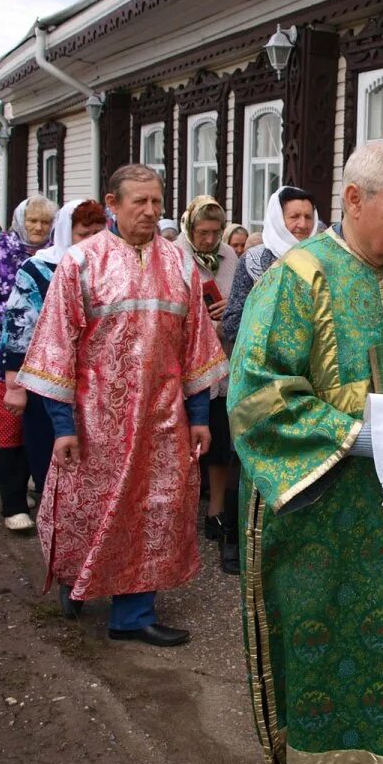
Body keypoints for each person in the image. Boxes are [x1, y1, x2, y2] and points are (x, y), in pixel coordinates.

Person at [228, 141, 383, 764]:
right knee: (323, 670)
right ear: (355, 200)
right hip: (317, 525)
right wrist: (367, 434)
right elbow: (256, 400)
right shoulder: (297, 280)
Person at [17, 164, 227, 646]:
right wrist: (63, 425)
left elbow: (194, 345)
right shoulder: (81, 263)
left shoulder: (178, 265)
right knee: (88, 507)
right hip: (95, 420)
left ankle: (133, 615)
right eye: (140, 202)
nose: (152, 211)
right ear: (112, 204)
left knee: (154, 510)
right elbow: (56, 347)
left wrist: (197, 418)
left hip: (163, 419)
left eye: (157, 202)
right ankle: (77, 581)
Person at [0, 200, 106, 505]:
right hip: (46, 382)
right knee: (51, 458)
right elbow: (18, 328)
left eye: (99, 233)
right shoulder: (37, 268)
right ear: (64, 233)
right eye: (84, 234)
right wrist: (14, 385)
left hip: (96, 384)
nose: (92, 242)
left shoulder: (112, 269)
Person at [0, 195, 57, 527]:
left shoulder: (55, 256)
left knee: (42, 427)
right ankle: (13, 505)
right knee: (9, 428)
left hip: (47, 361)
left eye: (45, 222)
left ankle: (40, 493)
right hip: (1, 357)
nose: (37, 228)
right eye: (32, 221)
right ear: (20, 220)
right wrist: (20, 312)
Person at [174, 195, 239, 573]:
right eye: (203, 233)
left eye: (216, 233)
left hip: (222, 358)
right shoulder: (174, 253)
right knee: (184, 440)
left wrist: (227, 306)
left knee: (218, 440)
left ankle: (214, 511)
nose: (210, 240)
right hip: (186, 357)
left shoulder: (230, 256)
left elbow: (240, 300)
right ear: (189, 229)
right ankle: (181, 515)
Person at [221, 186, 317, 345]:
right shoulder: (254, 261)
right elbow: (232, 323)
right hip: (262, 364)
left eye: (308, 217)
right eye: (294, 216)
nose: (303, 224)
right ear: (278, 219)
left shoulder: (322, 260)